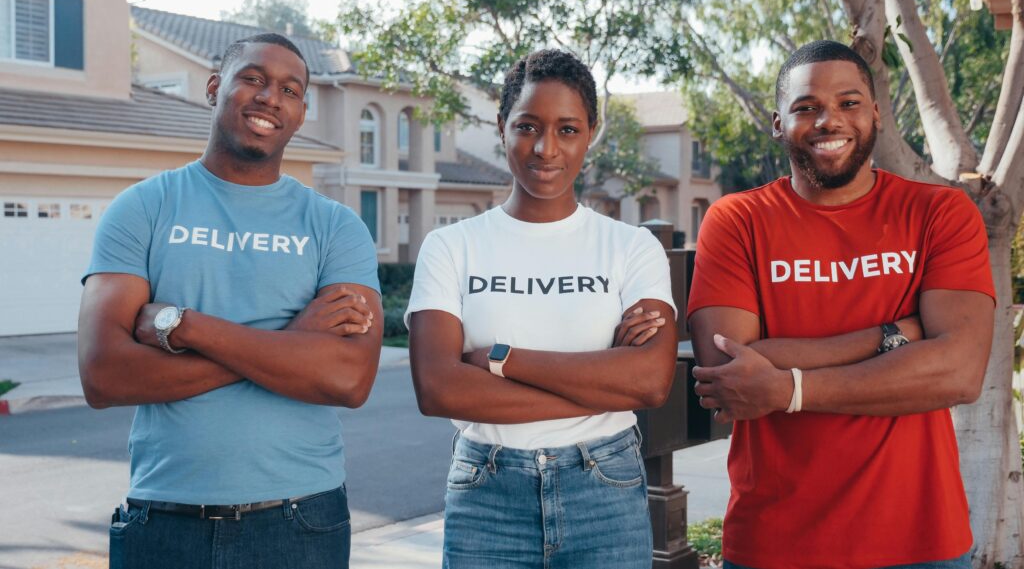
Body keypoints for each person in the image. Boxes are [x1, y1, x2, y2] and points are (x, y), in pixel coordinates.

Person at [77, 33, 383, 569]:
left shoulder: (336, 228)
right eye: (254, 79)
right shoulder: (143, 208)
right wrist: (290, 343)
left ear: (301, 112)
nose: (271, 98)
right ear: (215, 88)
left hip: (300, 520)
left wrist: (186, 327)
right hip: (165, 518)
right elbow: (104, 377)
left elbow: (348, 380)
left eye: (290, 89)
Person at [687, 40, 994, 569]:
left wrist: (786, 388)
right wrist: (894, 335)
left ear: (875, 113)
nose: (829, 120)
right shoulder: (738, 219)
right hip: (775, 544)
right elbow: (728, 375)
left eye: (849, 102)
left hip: (922, 544)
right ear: (779, 123)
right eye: (806, 107)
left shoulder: (940, 213)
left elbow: (959, 373)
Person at [406, 48, 678, 569]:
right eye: (528, 126)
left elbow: (649, 382)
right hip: (486, 491)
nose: (546, 148)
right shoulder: (452, 247)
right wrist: (603, 388)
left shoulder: (631, 247)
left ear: (591, 131)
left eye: (568, 130)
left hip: (605, 487)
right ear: (502, 125)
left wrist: (503, 359)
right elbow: (438, 388)